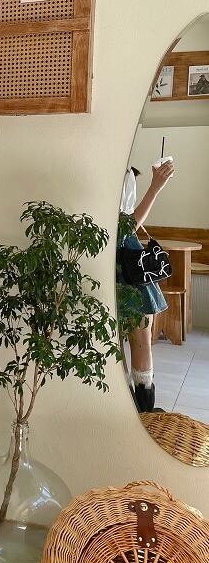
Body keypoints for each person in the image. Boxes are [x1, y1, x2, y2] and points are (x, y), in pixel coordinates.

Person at [117, 160, 175, 412]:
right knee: (139, 338)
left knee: (138, 337)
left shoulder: (121, 170)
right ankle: (142, 412)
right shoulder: (119, 170)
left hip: (122, 257)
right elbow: (126, 227)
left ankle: (140, 411)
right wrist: (155, 187)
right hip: (124, 259)